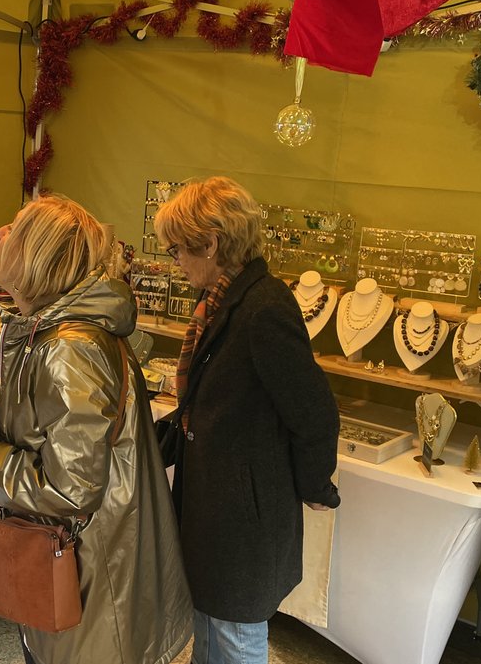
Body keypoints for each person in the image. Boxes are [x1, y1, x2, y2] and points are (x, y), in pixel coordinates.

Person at [0, 195, 192, 664]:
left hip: (90, 570)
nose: (0, 232)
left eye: (16, 228)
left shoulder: (70, 345)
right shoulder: (55, 330)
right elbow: (57, 416)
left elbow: (70, 489)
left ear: (35, 256)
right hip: (83, 560)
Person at [153, 176, 340, 664]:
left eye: (176, 250)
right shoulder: (221, 304)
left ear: (211, 243)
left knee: (235, 642)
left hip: (242, 516)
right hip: (217, 509)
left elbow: (313, 409)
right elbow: (209, 406)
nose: (174, 263)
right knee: (211, 632)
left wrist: (316, 484)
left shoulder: (263, 307)